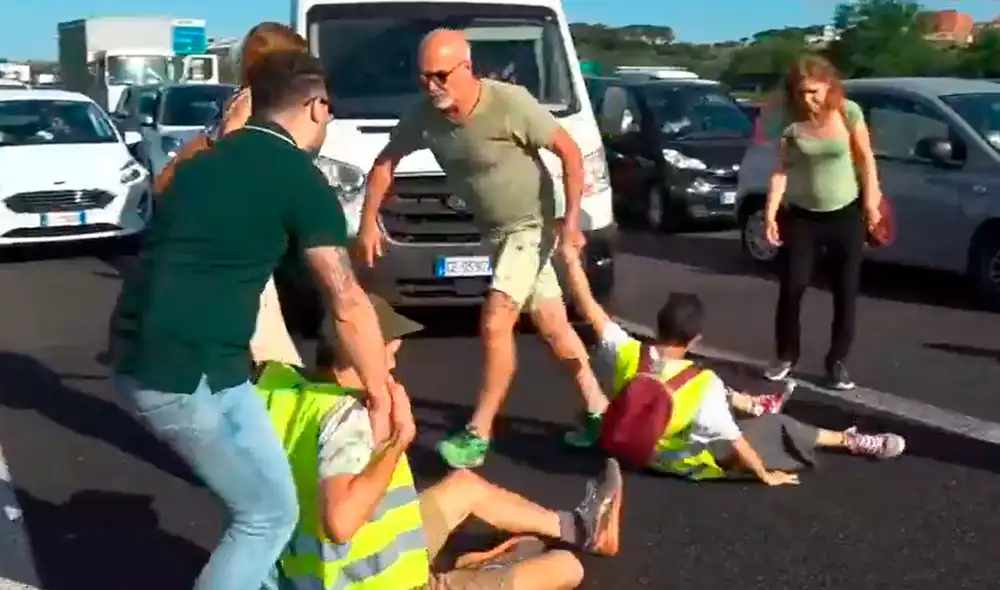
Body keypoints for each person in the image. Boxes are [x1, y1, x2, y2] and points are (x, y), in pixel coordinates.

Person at [108, 51, 394, 590]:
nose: (328, 123)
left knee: (272, 498)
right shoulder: (299, 179)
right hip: (178, 375)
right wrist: (379, 393)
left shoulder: (199, 163)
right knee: (265, 517)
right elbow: (347, 300)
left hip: (183, 361)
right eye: (329, 112)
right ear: (315, 106)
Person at [356, 28, 609, 469]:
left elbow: (568, 151)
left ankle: (478, 432)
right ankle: (598, 409)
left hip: (531, 226)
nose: (431, 87)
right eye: (422, 78)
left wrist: (570, 221)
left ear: (465, 69)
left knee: (495, 320)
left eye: (439, 76)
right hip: (495, 234)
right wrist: (366, 226)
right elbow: (385, 163)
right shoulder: (424, 117)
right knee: (554, 327)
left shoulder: (508, 103)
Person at [254, 295, 623, 590]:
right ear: (364, 352)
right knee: (564, 568)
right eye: (391, 353)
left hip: (313, 574)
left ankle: (583, 528)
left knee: (463, 486)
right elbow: (340, 521)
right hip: (377, 582)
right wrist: (400, 440)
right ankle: (476, 567)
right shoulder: (347, 417)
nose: (394, 365)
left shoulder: (283, 394)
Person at [559, 242, 906, 485]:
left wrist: (571, 258)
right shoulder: (702, 385)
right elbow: (736, 442)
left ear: (658, 326)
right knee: (778, 427)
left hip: (631, 444)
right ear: (694, 339)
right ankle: (848, 440)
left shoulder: (625, 349)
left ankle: (749, 402)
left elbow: (588, 305)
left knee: (711, 383)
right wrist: (765, 475)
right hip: (678, 463)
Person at [146, 21, 310, 371]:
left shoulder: (242, 99)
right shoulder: (252, 103)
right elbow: (238, 160)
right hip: (238, 237)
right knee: (265, 342)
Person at [762, 55, 883, 390]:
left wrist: (871, 205)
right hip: (802, 215)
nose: (808, 99)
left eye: (813, 91)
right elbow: (781, 170)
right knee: (792, 287)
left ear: (829, 85)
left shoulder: (848, 111)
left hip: (845, 213)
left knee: (845, 291)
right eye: (801, 93)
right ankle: (786, 354)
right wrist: (771, 212)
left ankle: (837, 362)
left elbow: (865, 160)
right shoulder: (790, 122)